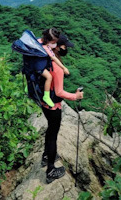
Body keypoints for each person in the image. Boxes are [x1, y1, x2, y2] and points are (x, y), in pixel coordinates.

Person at [40, 33, 84, 183]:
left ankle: (46, 156)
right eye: (64, 46)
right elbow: (59, 92)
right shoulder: (56, 67)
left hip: (44, 101)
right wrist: (75, 96)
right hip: (53, 105)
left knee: (50, 130)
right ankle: (50, 169)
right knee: (53, 134)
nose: (66, 49)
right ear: (57, 47)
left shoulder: (45, 58)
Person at [38, 28, 71, 108]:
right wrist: (75, 96)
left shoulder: (38, 41)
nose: (54, 44)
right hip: (38, 67)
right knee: (49, 77)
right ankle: (46, 96)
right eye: (54, 42)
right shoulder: (46, 48)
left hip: (34, 65)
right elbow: (59, 92)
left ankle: (29, 88)